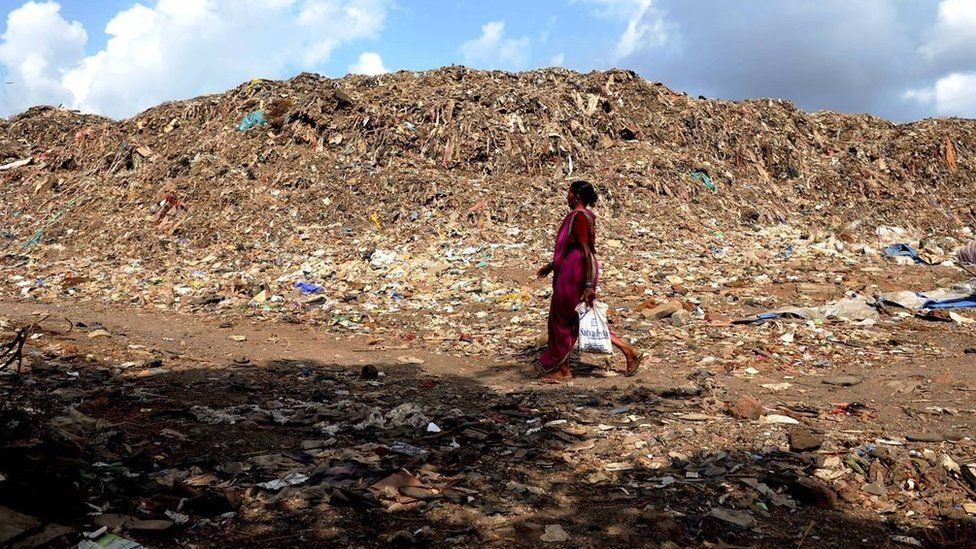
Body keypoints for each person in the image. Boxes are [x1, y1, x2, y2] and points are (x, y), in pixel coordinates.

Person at [536, 180, 643, 381]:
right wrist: (552, 266)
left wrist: (588, 285)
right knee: (579, 318)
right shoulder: (579, 217)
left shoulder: (579, 218)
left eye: (569, 193)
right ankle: (629, 351)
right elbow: (574, 248)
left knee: (561, 321)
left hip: (574, 273)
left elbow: (585, 252)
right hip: (572, 269)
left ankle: (563, 370)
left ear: (576, 196)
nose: (566, 197)